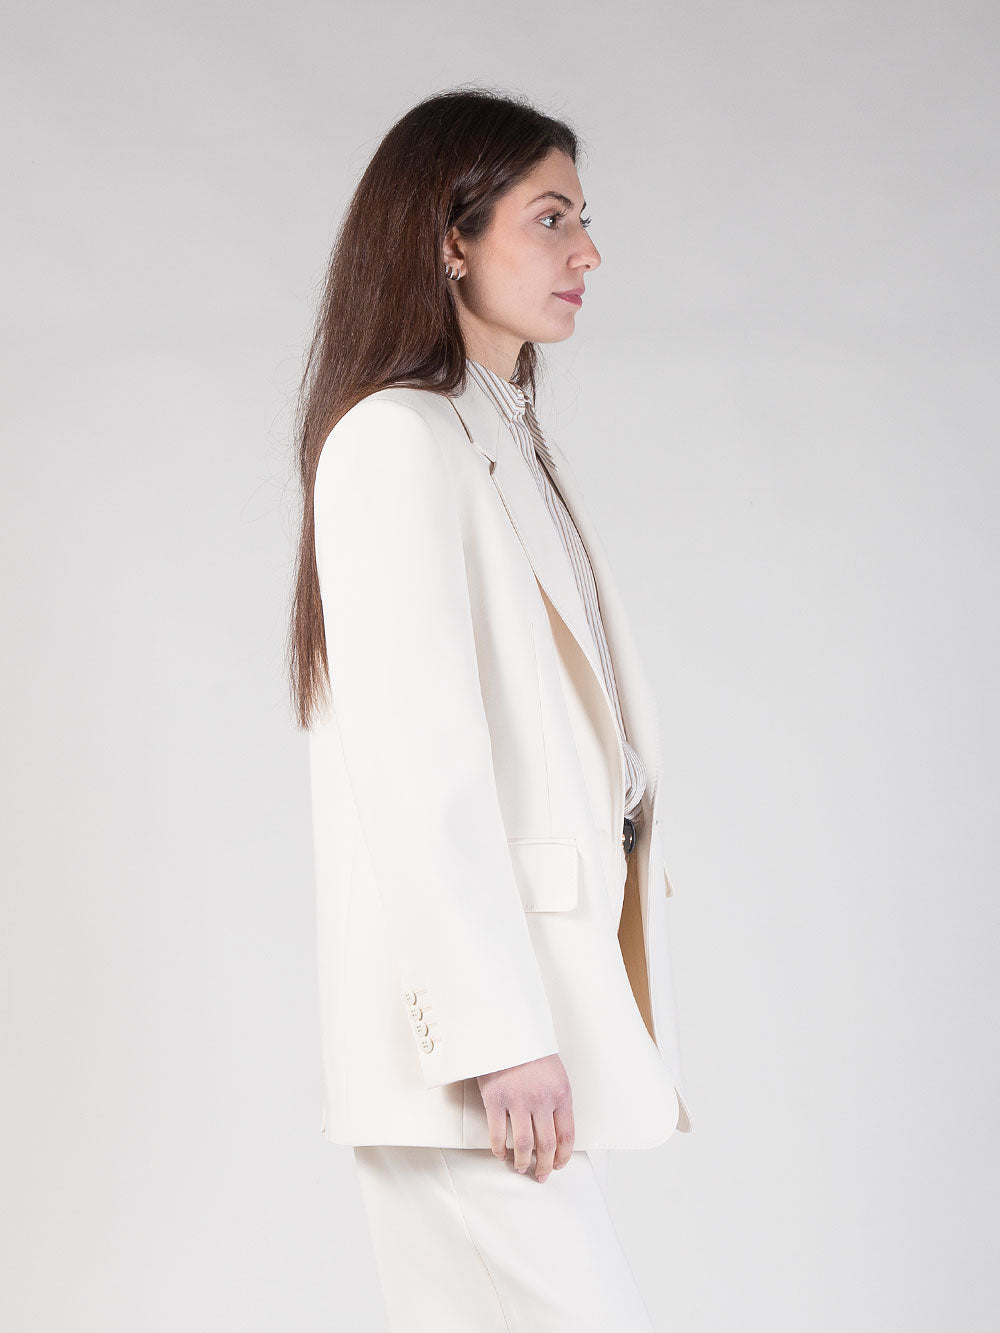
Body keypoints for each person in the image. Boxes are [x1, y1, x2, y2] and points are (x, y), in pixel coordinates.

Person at [287, 85, 693, 1333]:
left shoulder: (496, 437)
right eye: (551, 217)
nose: (588, 253)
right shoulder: (396, 439)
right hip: (470, 1063)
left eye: (584, 219)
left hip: (526, 1034)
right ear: (449, 239)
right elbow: (416, 763)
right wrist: (494, 1034)